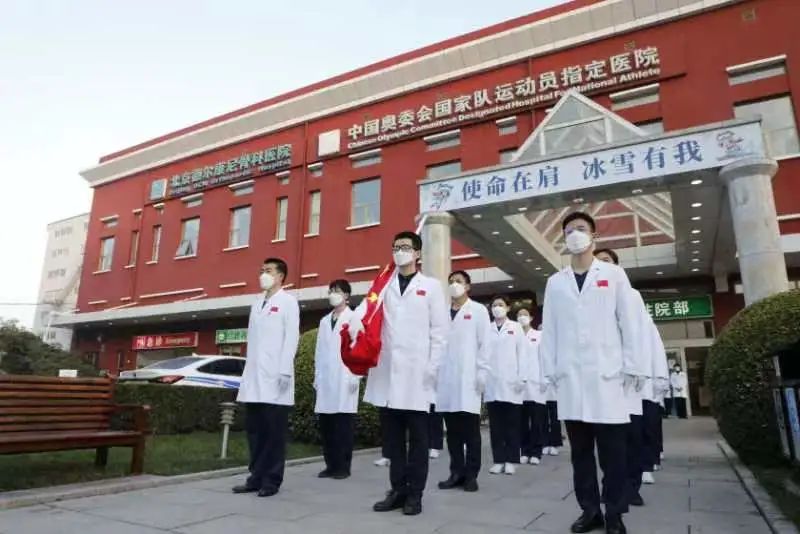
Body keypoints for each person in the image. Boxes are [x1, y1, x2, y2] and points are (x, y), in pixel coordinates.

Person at [540, 213, 645, 534]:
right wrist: (550, 372)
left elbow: (629, 322)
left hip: (607, 378)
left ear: (594, 235)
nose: (575, 234)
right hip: (571, 381)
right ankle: (590, 511)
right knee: (581, 455)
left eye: (581, 229)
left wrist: (633, 365)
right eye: (569, 230)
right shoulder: (555, 282)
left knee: (613, 456)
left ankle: (614, 513)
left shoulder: (613, 274)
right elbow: (550, 331)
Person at [365, 231, 448, 516]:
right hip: (388, 373)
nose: (400, 251)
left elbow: (440, 333)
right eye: (396, 247)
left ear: (418, 254)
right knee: (393, 441)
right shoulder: (383, 285)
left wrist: (432, 367)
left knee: (419, 442)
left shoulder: (431, 287)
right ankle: (398, 490)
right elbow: (366, 314)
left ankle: (415, 494)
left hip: (418, 375)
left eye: (405, 247)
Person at [233, 258, 300, 498]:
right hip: (254, 378)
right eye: (262, 270)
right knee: (255, 431)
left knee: (273, 434)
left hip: (276, 377)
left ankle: (272, 480)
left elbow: (291, 337)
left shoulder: (288, 302)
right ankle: (255, 477)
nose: (263, 274)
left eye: (269, 271)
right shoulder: (256, 303)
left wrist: (285, 370)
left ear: (280, 276)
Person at [594, 248, 652, 506]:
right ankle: (611, 488)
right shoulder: (592, 297)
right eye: (599, 262)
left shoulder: (631, 295)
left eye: (607, 261)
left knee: (631, 437)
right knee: (608, 442)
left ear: (618, 266)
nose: (602, 265)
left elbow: (639, 333)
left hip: (628, 376)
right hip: (604, 378)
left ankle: (632, 486)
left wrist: (638, 367)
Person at [435, 270, 491, 492]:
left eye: (458, 281)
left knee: (471, 432)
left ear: (467, 286)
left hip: (469, 379)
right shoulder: (441, 312)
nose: (454, 285)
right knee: (453, 433)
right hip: (446, 380)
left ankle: (471, 475)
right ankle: (456, 472)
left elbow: (485, 344)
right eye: (450, 281)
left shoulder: (477, 311)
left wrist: (482, 372)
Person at [313, 279, 360, 480]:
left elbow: (359, 348)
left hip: (345, 377)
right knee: (327, 425)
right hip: (326, 378)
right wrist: (317, 376)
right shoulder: (324, 321)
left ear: (346, 295)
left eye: (337, 290)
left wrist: (356, 376)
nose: (333, 294)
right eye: (331, 290)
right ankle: (330, 465)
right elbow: (319, 351)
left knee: (343, 425)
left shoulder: (354, 317)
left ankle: (343, 467)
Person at [485, 295, 527, 476]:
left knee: (512, 424)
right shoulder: (487, 328)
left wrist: (522, 377)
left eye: (501, 305)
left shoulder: (515, 327)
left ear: (508, 308)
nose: (497, 308)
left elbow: (523, 353)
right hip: (492, 382)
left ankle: (511, 460)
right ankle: (498, 460)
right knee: (496, 426)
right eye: (494, 305)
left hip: (512, 382)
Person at [518, 306, 547, 466]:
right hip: (519, 385)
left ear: (530, 318)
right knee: (522, 421)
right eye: (519, 315)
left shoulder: (538, 335)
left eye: (525, 314)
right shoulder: (515, 336)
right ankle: (524, 450)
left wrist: (544, 378)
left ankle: (536, 451)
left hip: (536, 382)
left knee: (536, 420)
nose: (522, 317)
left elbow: (543, 358)